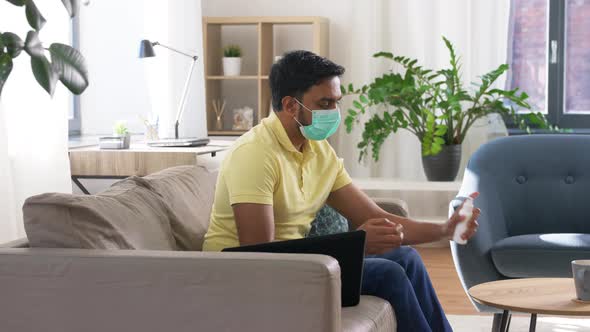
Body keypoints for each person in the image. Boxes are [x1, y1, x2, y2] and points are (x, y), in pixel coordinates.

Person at [203, 50, 480, 332]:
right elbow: (259, 258)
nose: (333, 112)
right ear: (290, 105)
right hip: (243, 279)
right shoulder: (255, 154)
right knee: (389, 274)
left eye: (336, 102)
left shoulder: (318, 151)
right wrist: (357, 243)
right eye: (325, 102)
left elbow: (378, 217)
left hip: (298, 268)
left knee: (406, 257)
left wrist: (444, 230)